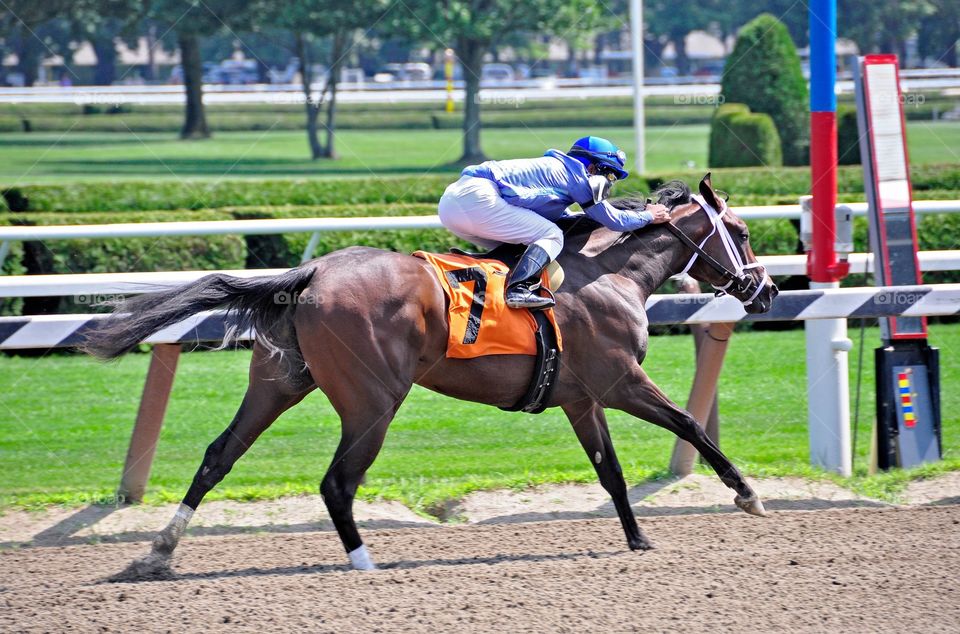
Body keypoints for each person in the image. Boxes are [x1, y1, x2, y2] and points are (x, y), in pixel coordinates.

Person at [438, 136, 671, 309]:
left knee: (523, 245)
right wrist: (650, 215)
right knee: (551, 236)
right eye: (610, 174)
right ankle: (517, 290)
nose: (610, 182)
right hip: (478, 198)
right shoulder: (578, 175)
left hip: (451, 204)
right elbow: (614, 220)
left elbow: (564, 218)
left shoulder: (560, 173)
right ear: (593, 166)